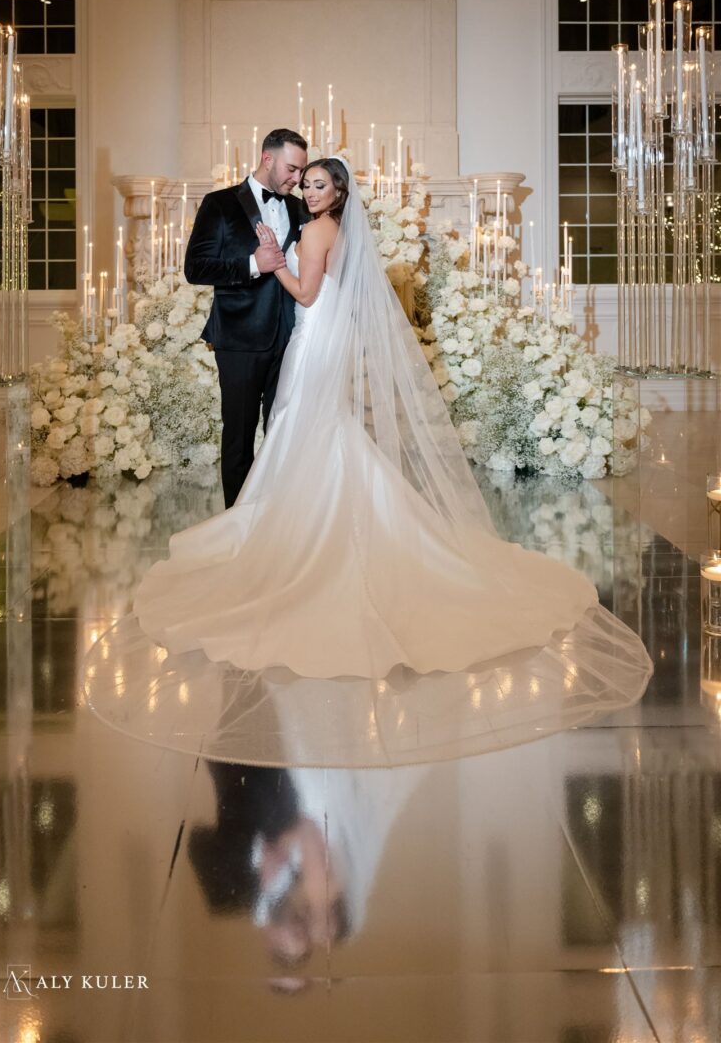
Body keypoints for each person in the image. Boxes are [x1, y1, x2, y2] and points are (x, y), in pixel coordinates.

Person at [128, 156, 652, 708]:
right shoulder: (341, 230)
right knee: (317, 430)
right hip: (323, 338)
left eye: (318, 185)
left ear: (338, 191)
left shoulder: (315, 230)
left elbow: (305, 295)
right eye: (304, 183)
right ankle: (324, 519)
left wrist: (274, 261)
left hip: (311, 341)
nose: (307, 192)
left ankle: (310, 535)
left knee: (304, 428)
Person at [184, 128, 308, 507]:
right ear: (267, 158)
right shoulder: (219, 204)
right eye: (291, 169)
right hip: (238, 338)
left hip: (289, 338)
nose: (297, 179)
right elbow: (195, 268)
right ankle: (236, 526)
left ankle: (274, 524)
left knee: (283, 435)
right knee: (238, 436)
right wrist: (254, 263)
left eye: (302, 172)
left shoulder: (300, 207)